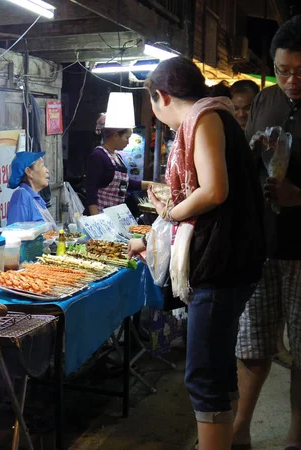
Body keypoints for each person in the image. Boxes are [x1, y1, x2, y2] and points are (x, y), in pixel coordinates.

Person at [128, 56, 265, 450]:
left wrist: (171, 210)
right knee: (218, 368)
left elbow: (213, 190)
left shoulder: (204, 119)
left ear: (162, 96)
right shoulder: (213, 116)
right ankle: (232, 441)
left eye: (152, 105)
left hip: (222, 263)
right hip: (232, 260)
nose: (156, 115)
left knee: (204, 374)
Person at [233, 15, 301, 450]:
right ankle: (238, 434)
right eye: (283, 70)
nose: (292, 80)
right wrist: (250, 154)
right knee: (253, 344)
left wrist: (299, 196)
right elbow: (248, 158)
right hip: (264, 246)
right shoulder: (266, 101)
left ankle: (296, 438)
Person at [86, 113, 152, 215]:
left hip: (115, 214)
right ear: (116, 136)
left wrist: (151, 185)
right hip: (101, 215)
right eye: (127, 137)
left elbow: (126, 184)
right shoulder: (98, 155)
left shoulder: (118, 157)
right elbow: (91, 190)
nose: (128, 142)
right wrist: (95, 219)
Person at [6, 151, 56, 228]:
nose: (47, 170)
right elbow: (15, 234)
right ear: (29, 172)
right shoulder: (21, 197)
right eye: (42, 166)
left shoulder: (36, 199)